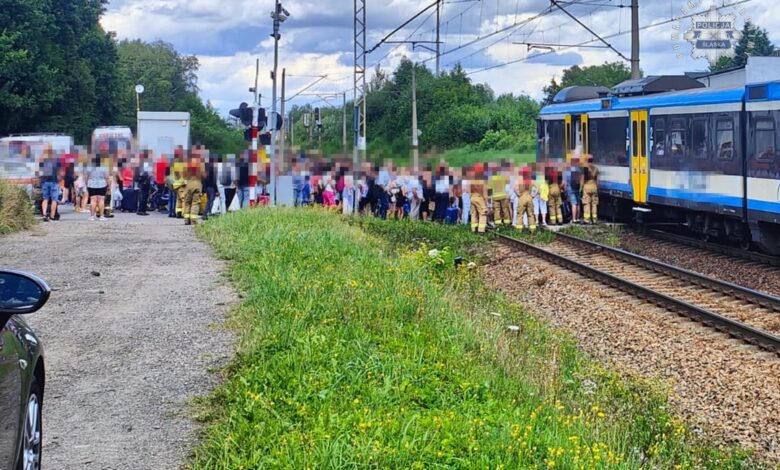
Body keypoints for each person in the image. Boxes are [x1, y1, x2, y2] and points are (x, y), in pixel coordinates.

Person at [39, 151, 61, 222]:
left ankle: (44, 215)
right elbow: (59, 172)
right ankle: (52, 216)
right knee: (54, 200)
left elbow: (40, 173)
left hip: (45, 182)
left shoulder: (42, 162)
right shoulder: (56, 162)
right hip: (54, 182)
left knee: (45, 199)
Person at [86, 155, 110, 221]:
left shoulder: (89, 167)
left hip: (91, 184)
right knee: (101, 200)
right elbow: (107, 177)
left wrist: (86, 183)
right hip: (102, 184)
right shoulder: (104, 167)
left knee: (92, 200)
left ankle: (92, 216)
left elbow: (86, 177)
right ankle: (101, 216)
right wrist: (109, 185)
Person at [182, 154, 203, 225]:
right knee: (195, 202)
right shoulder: (200, 165)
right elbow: (204, 175)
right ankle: (193, 220)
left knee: (187, 202)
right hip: (197, 185)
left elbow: (184, 176)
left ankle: (186, 220)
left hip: (189, 185)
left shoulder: (187, 165)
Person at [516, 167, 536, 232]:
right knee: (531, 214)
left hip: (522, 197)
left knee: (520, 215)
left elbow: (514, 188)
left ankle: (519, 231)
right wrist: (533, 195)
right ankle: (532, 230)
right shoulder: (531, 181)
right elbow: (537, 188)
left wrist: (518, 194)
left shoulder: (520, 180)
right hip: (529, 197)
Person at [469, 164, 488, 233]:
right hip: (479, 198)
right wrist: (486, 203)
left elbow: (469, 191)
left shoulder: (471, 181)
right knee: (483, 214)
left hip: (472, 198)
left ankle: (474, 229)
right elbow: (485, 193)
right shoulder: (482, 181)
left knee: (473, 214)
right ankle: (481, 230)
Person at [581, 155, 599, 224]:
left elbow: (582, 179)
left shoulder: (585, 168)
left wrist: (581, 187)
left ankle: (587, 219)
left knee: (586, 203)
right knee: (594, 203)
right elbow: (598, 180)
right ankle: (594, 219)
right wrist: (597, 187)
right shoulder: (596, 168)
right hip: (594, 186)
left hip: (587, 186)